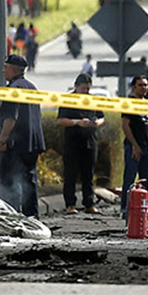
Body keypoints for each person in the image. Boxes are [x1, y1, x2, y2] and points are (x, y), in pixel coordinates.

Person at [0, 54, 45, 217]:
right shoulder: (32, 87)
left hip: (17, 144)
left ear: (14, 69)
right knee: (29, 181)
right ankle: (33, 217)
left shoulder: (13, 89)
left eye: (6, 67)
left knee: (10, 181)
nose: (3, 71)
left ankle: (12, 216)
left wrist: (2, 140)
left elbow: (10, 118)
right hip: (33, 143)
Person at [56, 73, 104, 214]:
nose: (85, 92)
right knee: (71, 174)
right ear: (76, 87)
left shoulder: (92, 100)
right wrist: (77, 122)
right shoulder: (68, 100)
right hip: (73, 142)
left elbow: (102, 117)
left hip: (90, 142)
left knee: (88, 174)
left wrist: (97, 123)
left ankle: (89, 203)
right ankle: (70, 204)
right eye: (83, 89)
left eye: (88, 89)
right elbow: (60, 121)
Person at [119, 75, 148, 217]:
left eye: (145, 85)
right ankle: (125, 209)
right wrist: (134, 144)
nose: (144, 88)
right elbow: (125, 125)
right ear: (134, 87)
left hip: (147, 147)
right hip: (133, 147)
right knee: (130, 177)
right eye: (140, 85)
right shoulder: (129, 103)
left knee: (146, 177)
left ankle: (143, 208)